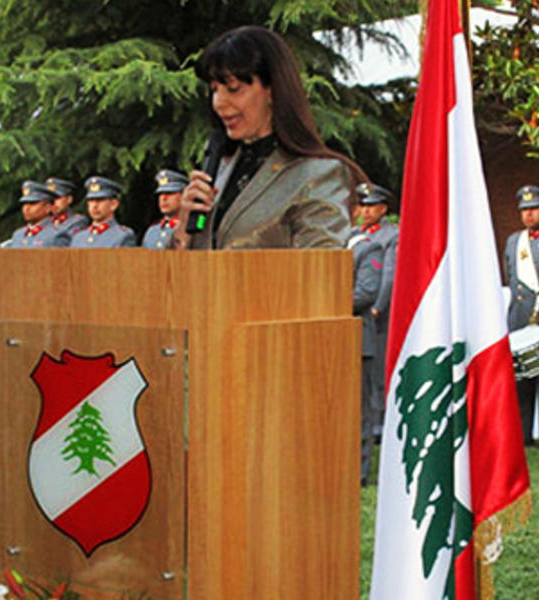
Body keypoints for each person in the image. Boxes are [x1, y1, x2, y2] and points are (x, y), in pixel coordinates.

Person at [174, 26, 362, 250]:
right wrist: (184, 231)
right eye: (214, 89)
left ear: (273, 89)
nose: (219, 103)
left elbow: (318, 274)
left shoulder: (317, 175)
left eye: (234, 89)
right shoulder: (219, 170)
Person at [504, 184, 539, 449]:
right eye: (524, 211)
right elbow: (511, 276)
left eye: (533, 209)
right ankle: (520, 434)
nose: (528, 215)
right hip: (521, 316)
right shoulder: (514, 241)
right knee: (521, 377)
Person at [353, 182, 398, 436]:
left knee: (378, 369)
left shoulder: (391, 235)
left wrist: (377, 307)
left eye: (372, 206)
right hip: (356, 312)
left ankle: (379, 423)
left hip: (377, 312)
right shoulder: (354, 234)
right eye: (363, 206)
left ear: (383, 209)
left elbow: (389, 275)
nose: (367, 211)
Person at [347, 229, 383, 485]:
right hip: (330, 339)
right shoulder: (335, 242)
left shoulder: (368, 248)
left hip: (359, 338)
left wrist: (322, 300)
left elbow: (366, 292)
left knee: (359, 410)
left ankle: (359, 470)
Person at [70, 176, 136, 247]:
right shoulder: (78, 237)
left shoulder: (122, 236)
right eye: (91, 200)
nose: (94, 205)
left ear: (113, 204)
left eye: (100, 200)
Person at [7, 181, 68, 248]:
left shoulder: (57, 235)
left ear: (48, 208)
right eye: (24, 204)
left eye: (32, 203)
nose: (26, 208)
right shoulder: (18, 235)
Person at [142, 169, 187, 249]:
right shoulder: (152, 232)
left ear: (184, 195)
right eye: (160, 194)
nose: (163, 198)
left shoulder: (193, 229)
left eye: (169, 193)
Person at [46, 176, 88, 243]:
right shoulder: (45, 222)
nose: (53, 202)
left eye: (57, 198)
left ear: (69, 199)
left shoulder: (77, 221)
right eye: (50, 199)